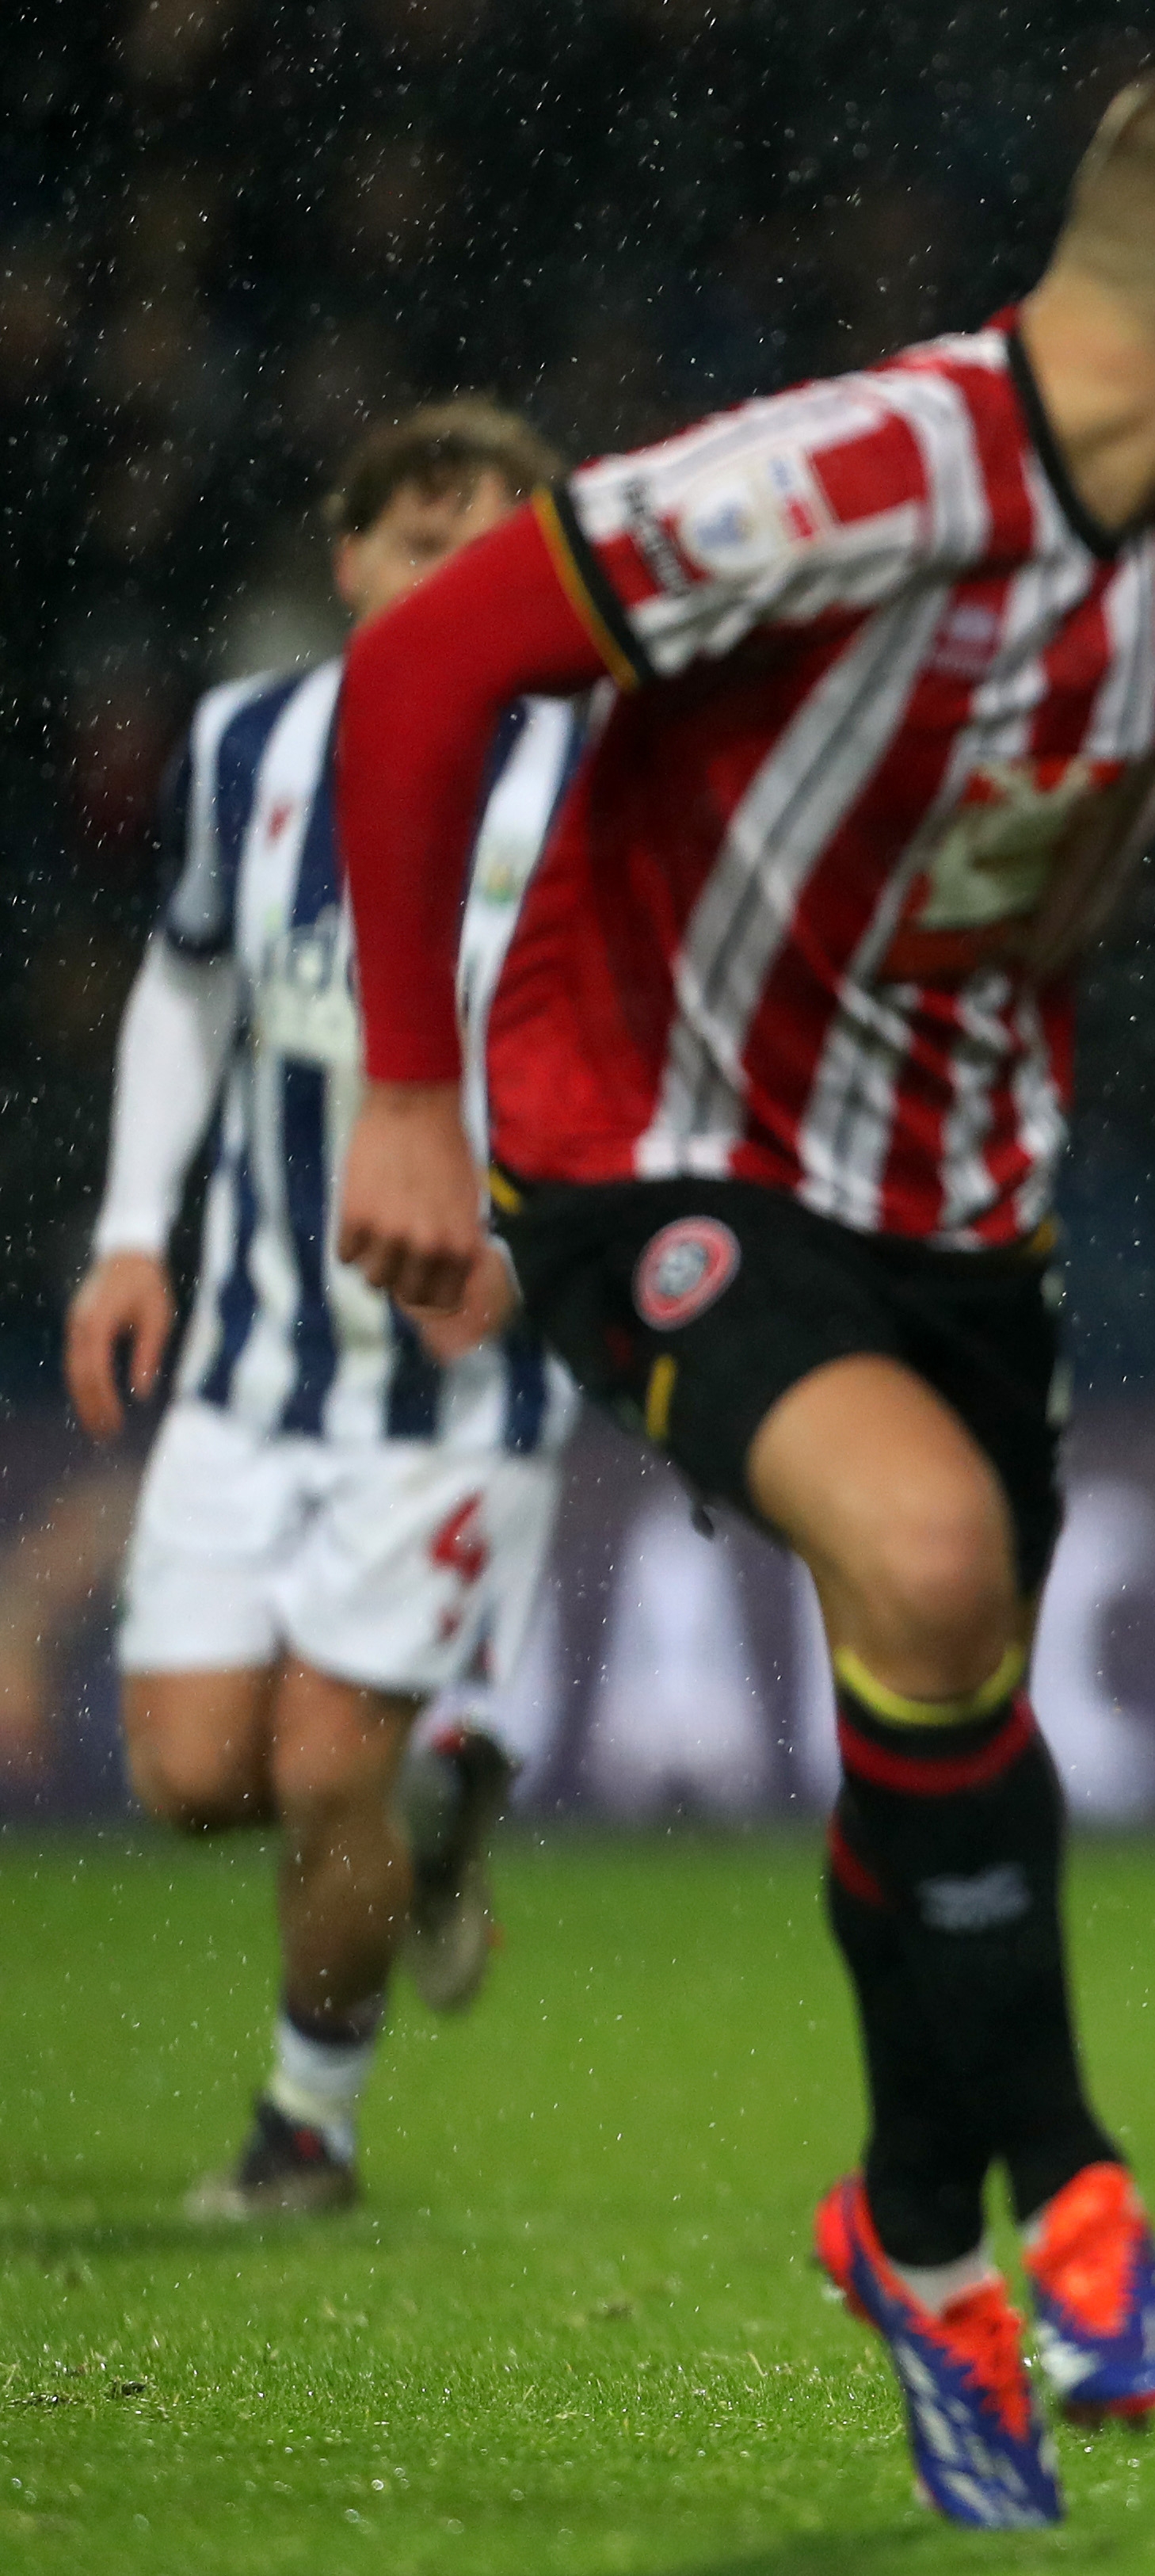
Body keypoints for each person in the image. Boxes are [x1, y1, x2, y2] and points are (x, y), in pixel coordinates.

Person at [326, 64, 1155, 2530]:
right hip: (647, 1134)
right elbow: (426, 667)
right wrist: (405, 1090)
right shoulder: (850, 475)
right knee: (933, 1569)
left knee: (935, 1698)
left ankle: (913, 2238)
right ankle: (1067, 2188)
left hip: (965, 1201)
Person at [66, 399, 581, 2222]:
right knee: (194, 1776)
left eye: (500, 551)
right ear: (350, 559)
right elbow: (187, 987)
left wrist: (549, 1239)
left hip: (469, 1382)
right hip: (252, 1357)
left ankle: (307, 2130)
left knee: (318, 1762)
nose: (457, 582)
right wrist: (135, 1234)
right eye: (422, 544)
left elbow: (645, 1059)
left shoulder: (595, 778)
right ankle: (434, 1832)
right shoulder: (247, 747)